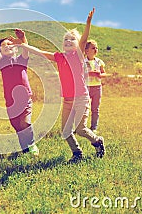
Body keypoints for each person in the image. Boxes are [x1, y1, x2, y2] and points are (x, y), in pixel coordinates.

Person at [19, 8, 105, 162]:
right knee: (65, 131)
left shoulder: (78, 55)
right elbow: (39, 52)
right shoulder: (59, 57)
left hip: (81, 99)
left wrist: (88, 23)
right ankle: (77, 153)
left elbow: (84, 39)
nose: (68, 41)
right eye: (65, 39)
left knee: (81, 129)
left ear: (77, 44)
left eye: (71, 39)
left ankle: (97, 141)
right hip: (67, 100)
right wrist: (23, 45)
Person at [0, 26, 39, 156]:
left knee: (25, 123)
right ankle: (24, 149)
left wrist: (22, 39)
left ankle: (31, 145)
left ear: (15, 47)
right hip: (10, 101)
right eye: (4, 46)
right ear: (1, 51)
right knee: (17, 127)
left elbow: (26, 50)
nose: (7, 46)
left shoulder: (22, 60)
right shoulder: (2, 62)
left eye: (10, 44)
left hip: (25, 98)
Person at [85, 40, 107, 132]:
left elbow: (104, 73)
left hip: (97, 87)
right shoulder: (83, 61)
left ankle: (94, 128)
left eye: (96, 48)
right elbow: (79, 74)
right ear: (86, 50)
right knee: (83, 108)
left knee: (95, 108)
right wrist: (89, 73)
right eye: (93, 48)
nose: (95, 49)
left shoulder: (99, 62)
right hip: (86, 87)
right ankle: (81, 127)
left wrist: (99, 75)